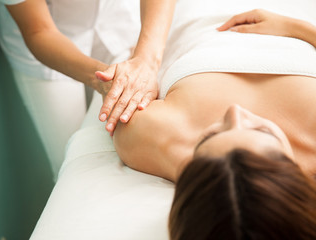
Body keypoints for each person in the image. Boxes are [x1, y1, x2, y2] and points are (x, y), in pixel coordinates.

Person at [113, 8, 316, 239]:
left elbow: (117, 87)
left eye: (210, 136)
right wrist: (294, 27)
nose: (235, 111)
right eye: (263, 131)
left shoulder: (161, 136)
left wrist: (145, 58)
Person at [0, 0, 176, 176]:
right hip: (48, 39)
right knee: (72, 161)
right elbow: (38, 30)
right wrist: (103, 80)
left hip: (115, 16)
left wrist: (146, 61)